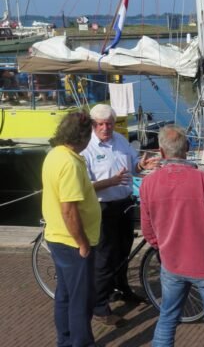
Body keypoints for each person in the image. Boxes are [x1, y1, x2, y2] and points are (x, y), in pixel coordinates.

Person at [140, 125, 204, 346]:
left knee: (167, 317)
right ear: (187, 148)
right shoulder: (203, 180)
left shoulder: (148, 183)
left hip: (171, 263)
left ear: (161, 152)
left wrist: (161, 246)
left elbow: (147, 230)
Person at [81, 104, 159, 327]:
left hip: (124, 204)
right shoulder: (86, 148)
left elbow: (133, 166)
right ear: (94, 125)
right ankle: (99, 307)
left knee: (124, 252)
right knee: (104, 258)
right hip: (102, 208)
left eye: (109, 123)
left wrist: (141, 164)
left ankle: (122, 289)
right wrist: (111, 182)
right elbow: (84, 186)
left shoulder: (121, 140)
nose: (106, 128)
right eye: (101, 124)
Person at [42, 110, 101, 347]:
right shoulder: (70, 164)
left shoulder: (55, 155)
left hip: (57, 237)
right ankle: (81, 343)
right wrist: (83, 244)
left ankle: (65, 341)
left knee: (65, 296)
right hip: (72, 242)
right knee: (81, 300)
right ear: (82, 137)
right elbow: (69, 209)